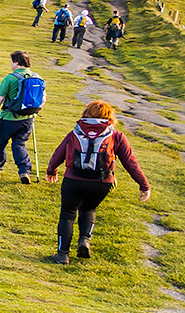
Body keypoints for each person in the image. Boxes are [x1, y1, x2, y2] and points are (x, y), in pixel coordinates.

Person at [43, 99, 150, 264]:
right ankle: (84, 240)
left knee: (67, 215)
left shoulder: (75, 132)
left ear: (86, 114)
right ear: (109, 117)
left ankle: (62, 254)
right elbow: (131, 162)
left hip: (73, 180)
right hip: (101, 182)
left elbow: (59, 152)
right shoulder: (116, 136)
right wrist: (144, 185)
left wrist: (51, 170)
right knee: (88, 209)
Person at [0, 50, 43, 183]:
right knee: (19, 144)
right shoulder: (37, 77)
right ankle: (24, 171)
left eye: (11, 62)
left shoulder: (10, 78)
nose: (11, 65)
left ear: (16, 63)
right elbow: (43, 99)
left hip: (9, 118)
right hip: (28, 119)